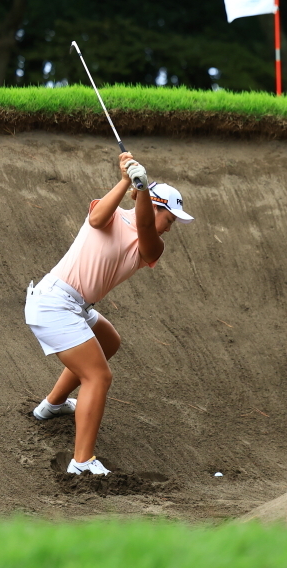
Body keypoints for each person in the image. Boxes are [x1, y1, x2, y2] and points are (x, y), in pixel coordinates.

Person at [24, 151, 194, 475]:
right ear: (156, 206)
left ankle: (52, 406)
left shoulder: (152, 245)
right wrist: (125, 181)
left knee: (108, 342)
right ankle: (82, 462)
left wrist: (142, 190)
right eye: (170, 219)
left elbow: (145, 224)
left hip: (74, 306)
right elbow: (97, 219)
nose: (170, 228)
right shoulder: (112, 215)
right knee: (98, 376)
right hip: (53, 303)